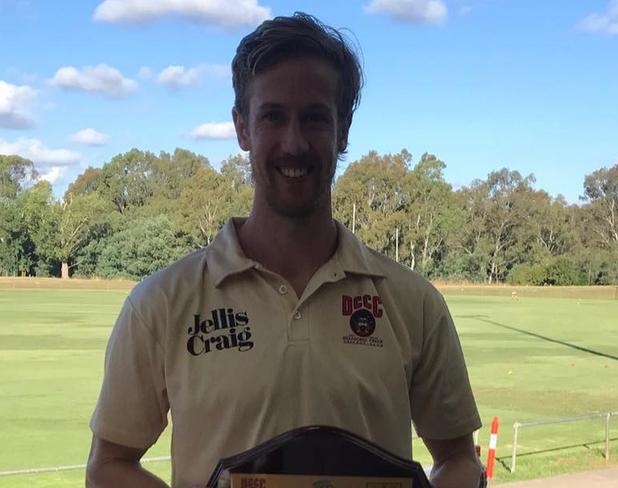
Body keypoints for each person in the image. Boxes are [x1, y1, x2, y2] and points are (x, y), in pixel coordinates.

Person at [86, 12, 483, 488]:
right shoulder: (161, 303)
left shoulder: (413, 302)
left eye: (315, 118)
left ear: (343, 130)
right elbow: (109, 466)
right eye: (273, 116)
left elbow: (458, 459)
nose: (294, 143)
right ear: (242, 128)